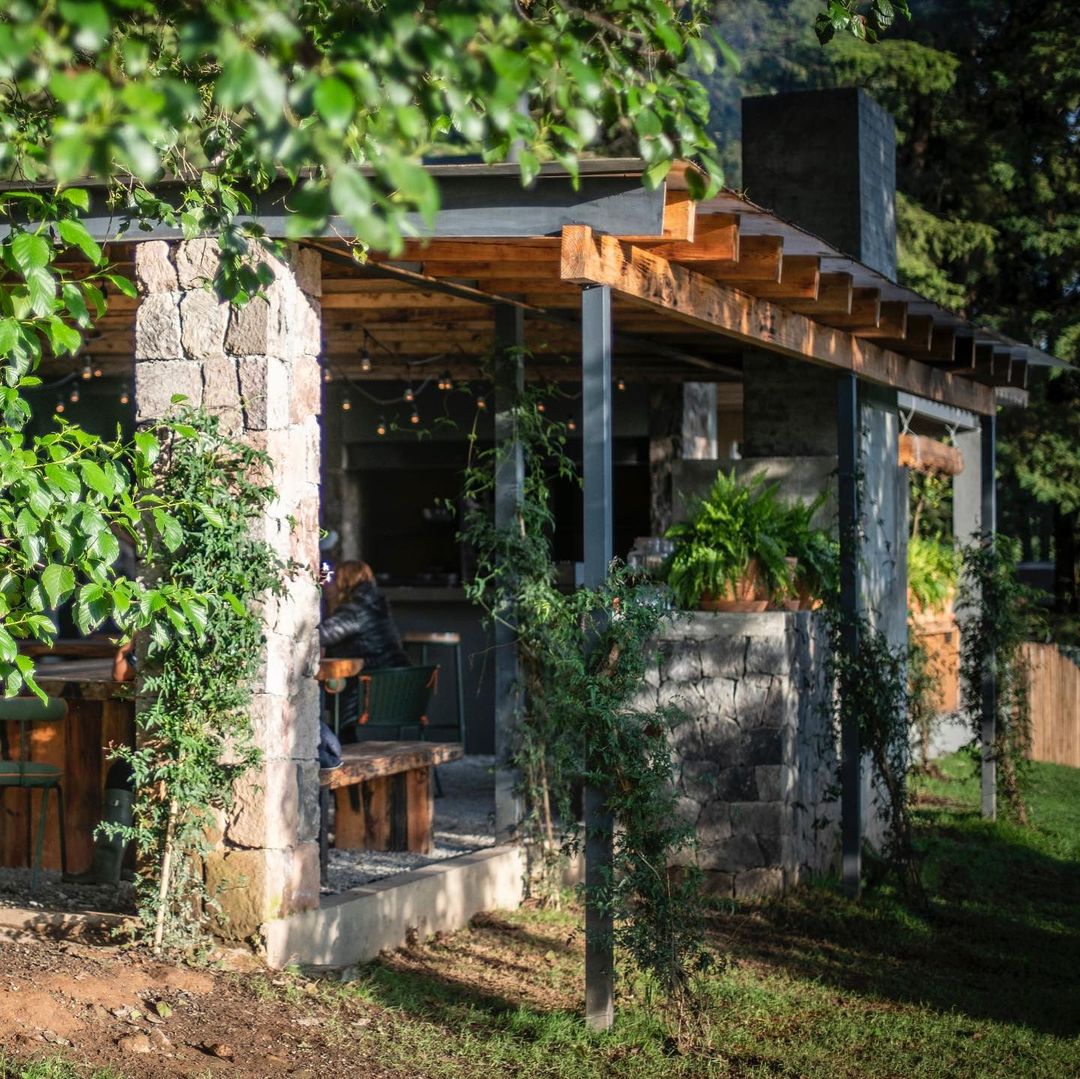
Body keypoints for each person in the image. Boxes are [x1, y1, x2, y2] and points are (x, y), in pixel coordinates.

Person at [319, 561, 409, 736]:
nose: (330, 584)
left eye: (334, 579)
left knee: (320, 691)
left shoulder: (355, 610)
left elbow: (320, 635)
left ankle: (333, 744)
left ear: (343, 582)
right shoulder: (376, 605)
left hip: (369, 690)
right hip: (395, 685)